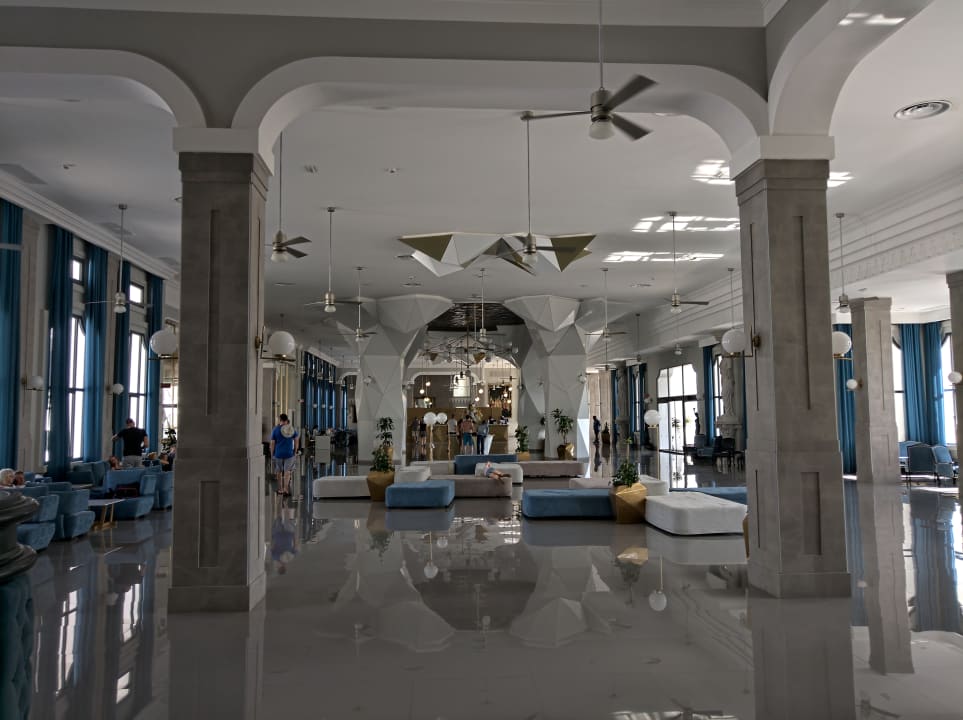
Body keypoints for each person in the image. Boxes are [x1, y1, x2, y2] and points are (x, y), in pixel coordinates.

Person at [270, 413, 299, 497]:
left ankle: (280, 489)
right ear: (287, 420)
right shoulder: (291, 429)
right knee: (287, 471)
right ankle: (286, 489)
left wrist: (272, 453)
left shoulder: (275, 429)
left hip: (278, 453)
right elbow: (296, 440)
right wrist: (295, 451)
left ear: (280, 420)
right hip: (289, 453)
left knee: (279, 471)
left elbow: (272, 443)